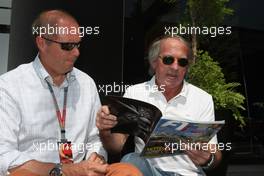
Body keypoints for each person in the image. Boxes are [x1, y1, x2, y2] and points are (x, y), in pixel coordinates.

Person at [0, 9, 142, 176]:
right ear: (42, 43)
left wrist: (95, 159)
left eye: (78, 45)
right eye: (67, 46)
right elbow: (4, 155)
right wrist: (63, 170)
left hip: (81, 171)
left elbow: (95, 138)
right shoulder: (9, 86)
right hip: (39, 173)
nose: (76, 53)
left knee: (127, 171)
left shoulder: (86, 83)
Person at [96, 35, 222, 176]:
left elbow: (214, 153)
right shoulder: (135, 92)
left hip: (188, 173)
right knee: (130, 160)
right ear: (154, 62)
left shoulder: (202, 98)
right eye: (168, 60)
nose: (175, 67)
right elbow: (116, 147)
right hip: (147, 171)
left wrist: (208, 159)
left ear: (187, 67)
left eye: (182, 62)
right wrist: (105, 130)